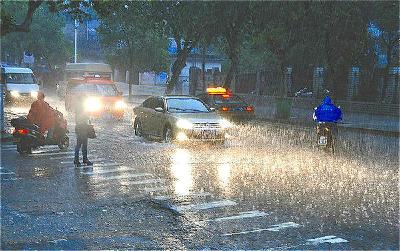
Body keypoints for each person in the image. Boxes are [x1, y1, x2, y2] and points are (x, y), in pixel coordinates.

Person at [74, 96, 92, 167]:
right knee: (84, 145)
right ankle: (84, 159)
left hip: (78, 127)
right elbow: (85, 117)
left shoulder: (78, 107)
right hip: (83, 127)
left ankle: (77, 160)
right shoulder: (82, 108)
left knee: (78, 144)